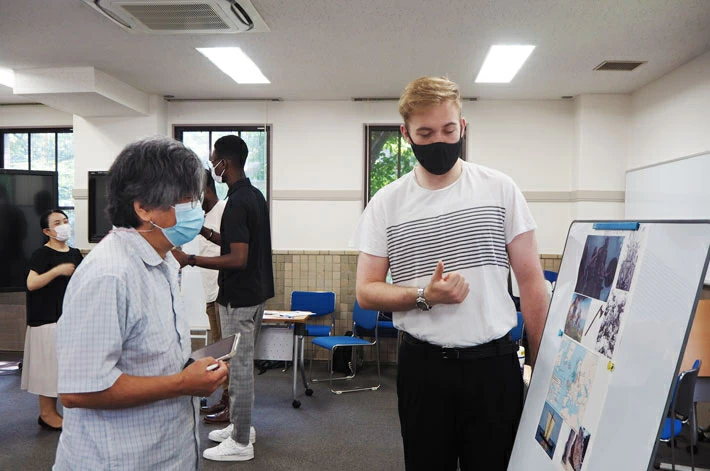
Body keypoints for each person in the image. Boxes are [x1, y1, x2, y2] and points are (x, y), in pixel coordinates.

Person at [352, 76, 549, 471]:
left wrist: (544, 370)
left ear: (463, 127)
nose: (439, 140)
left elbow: (532, 283)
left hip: (494, 367)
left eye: (448, 129)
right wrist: (424, 295)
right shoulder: (387, 203)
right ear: (406, 134)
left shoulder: (500, 189)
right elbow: (366, 292)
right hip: (423, 371)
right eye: (425, 133)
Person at [54, 137, 229, 470]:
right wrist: (182, 383)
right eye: (185, 198)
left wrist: (191, 370)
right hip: (118, 460)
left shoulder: (161, 262)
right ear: (143, 207)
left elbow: (147, 357)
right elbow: (79, 392)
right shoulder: (109, 275)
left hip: (165, 452)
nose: (195, 207)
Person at [173, 135, 274, 462]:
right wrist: (203, 231)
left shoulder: (236, 203)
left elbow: (237, 258)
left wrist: (191, 260)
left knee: (240, 369)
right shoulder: (253, 196)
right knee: (240, 365)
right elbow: (232, 241)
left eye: (214, 159)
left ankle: (241, 442)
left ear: (224, 163)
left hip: (239, 297)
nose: (212, 165)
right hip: (256, 294)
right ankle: (242, 427)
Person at [21, 209, 82, 431]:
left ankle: (56, 412)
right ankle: (47, 414)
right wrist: (57, 271)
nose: (63, 225)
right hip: (45, 319)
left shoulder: (74, 253)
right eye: (57, 223)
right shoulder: (42, 254)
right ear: (47, 231)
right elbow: (31, 283)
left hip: (68, 320)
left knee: (63, 369)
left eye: (65, 221)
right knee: (47, 369)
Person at [196, 169, 230, 419]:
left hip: (223, 293)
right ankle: (225, 400)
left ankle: (231, 404)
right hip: (210, 294)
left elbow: (231, 251)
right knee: (220, 352)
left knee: (229, 353)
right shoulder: (203, 215)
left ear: (204, 189)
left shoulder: (225, 211)